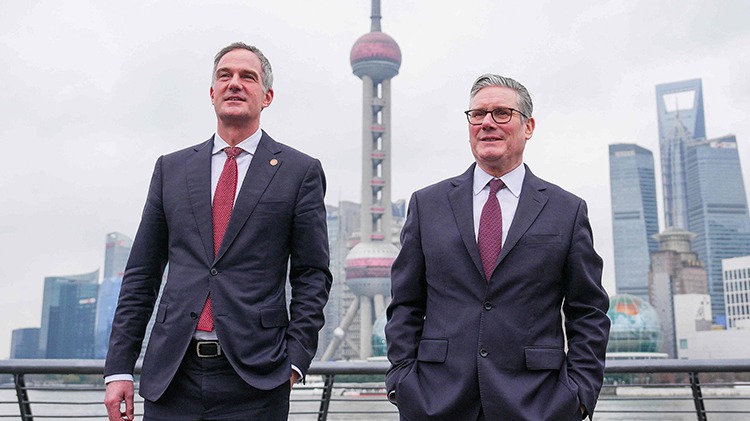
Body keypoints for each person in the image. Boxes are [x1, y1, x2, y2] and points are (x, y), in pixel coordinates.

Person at [103, 42, 332, 420]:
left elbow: (312, 275)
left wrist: (294, 362)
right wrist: (118, 369)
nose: (234, 83)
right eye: (225, 76)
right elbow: (142, 274)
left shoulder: (299, 172)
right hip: (172, 376)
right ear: (212, 93)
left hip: (257, 379)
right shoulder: (171, 170)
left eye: (248, 77)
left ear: (267, 96)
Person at [384, 74, 610, 421]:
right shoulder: (427, 205)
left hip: (538, 404)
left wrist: (578, 394)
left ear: (528, 127)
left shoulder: (566, 210)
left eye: (502, 113)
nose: (487, 123)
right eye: (478, 114)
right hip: (435, 402)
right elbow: (405, 304)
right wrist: (403, 382)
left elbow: (588, 311)